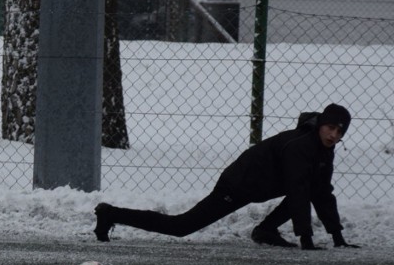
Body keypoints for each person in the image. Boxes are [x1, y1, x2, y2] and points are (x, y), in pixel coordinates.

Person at [94, 104, 360, 250]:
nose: (334, 134)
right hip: (238, 184)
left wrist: (337, 236)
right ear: (320, 125)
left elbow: (321, 191)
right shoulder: (301, 146)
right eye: (330, 127)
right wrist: (306, 239)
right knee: (181, 227)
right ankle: (111, 214)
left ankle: (266, 230)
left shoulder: (323, 151)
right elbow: (299, 190)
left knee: (310, 186)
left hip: (259, 185)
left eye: (339, 131)